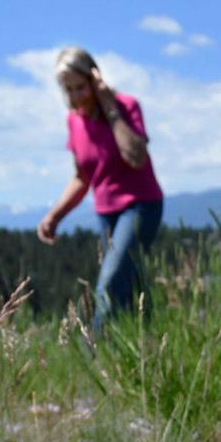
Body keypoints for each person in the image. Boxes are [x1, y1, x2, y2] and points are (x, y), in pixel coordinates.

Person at [37, 47, 164, 331]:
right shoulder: (74, 121)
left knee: (109, 282)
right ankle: (149, 350)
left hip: (140, 206)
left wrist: (110, 109)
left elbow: (136, 157)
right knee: (130, 289)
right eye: (68, 89)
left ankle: (95, 355)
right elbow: (82, 177)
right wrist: (55, 216)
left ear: (95, 79)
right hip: (106, 214)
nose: (75, 96)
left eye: (81, 87)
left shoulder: (126, 106)